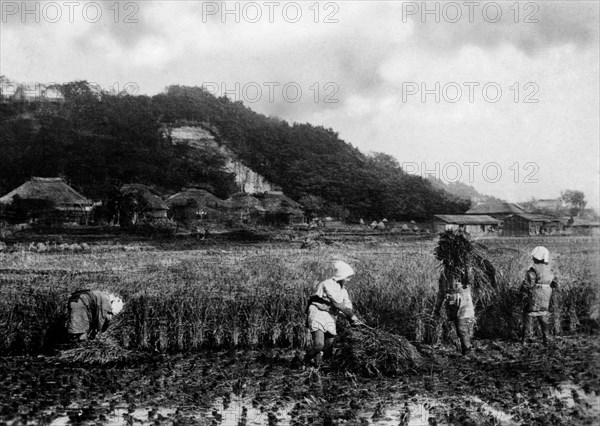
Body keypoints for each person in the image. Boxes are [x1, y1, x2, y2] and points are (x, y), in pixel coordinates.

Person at [305, 260, 364, 366]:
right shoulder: (327, 284)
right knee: (319, 344)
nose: (348, 279)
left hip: (330, 315)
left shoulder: (343, 291)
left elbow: (347, 305)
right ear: (341, 276)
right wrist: (351, 316)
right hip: (318, 312)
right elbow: (337, 304)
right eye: (347, 277)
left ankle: (322, 365)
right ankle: (304, 360)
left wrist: (352, 319)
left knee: (329, 345)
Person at [520, 246, 558, 345]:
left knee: (528, 315)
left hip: (534, 296)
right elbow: (555, 284)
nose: (532, 258)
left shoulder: (533, 270)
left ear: (537, 257)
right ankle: (546, 338)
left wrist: (521, 292)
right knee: (543, 315)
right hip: (546, 297)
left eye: (533, 256)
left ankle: (524, 340)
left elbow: (528, 285)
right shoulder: (550, 270)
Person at [434, 264, 475, 356]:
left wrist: (465, 266)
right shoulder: (444, 274)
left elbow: (469, 281)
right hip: (451, 303)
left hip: (464, 301)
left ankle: (467, 351)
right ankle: (462, 349)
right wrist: (437, 308)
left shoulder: (464, 271)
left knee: (462, 327)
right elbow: (441, 291)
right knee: (457, 328)